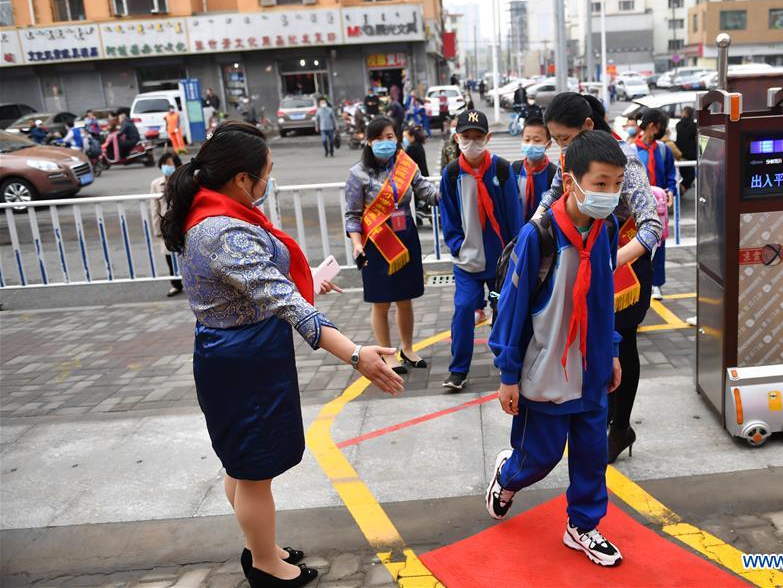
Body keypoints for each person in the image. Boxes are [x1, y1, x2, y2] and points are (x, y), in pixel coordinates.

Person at [161, 120, 403, 588]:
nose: (270, 180)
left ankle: (263, 546)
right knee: (253, 471)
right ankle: (267, 567)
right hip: (243, 360)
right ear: (242, 179)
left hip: (238, 352)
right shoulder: (225, 232)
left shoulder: (215, 215)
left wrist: (307, 276)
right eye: (267, 172)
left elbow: (259, 284)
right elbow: (284, 302)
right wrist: (356, 356)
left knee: (243, 463)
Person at [487, 130, 624, 567]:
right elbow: (510, 309)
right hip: (544, 371)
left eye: (617, 184)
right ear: (571, 182)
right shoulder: (539, 236)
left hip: (592, 368)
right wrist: (508, 373)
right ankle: (508, 477)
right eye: (601, 184)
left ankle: (582, 525)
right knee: (540, 458)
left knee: (591, 454)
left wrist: (613, 350)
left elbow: (604, 298)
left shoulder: (607, 227)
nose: (610, 193)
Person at [532, 92, 662, 464]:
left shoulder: (626, 159)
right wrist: (531, 231)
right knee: (593, 342)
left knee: (622, 343)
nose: (560, 147)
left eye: (564, 138)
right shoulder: (571, 158)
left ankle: (620, 428)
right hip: (587, 260)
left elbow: (651, 224)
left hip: (625, 264)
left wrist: (612, 261)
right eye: (556, 140)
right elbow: (552, 196)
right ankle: (598, 416)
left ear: (587, 127)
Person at [345, 117, 440, 374]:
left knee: (405, 299)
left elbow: (427, 193)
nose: (385, 142)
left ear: (397, 138)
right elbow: (352, 215)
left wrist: (452, 183)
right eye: (379, 138)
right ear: (368, 141)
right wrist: (356, 244)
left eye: (390, 137)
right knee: (381, 302)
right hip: (376, 242)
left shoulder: (405, 165)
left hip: (405, 237)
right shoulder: (358, 173)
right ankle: (386, 354)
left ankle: (407, 348)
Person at [439, 110, 524, 391]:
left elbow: (514, 214)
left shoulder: (501, 170)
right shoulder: (451, 174)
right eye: (466, 137)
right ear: (457, 138)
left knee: (502, 307)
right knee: (464, 308)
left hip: (499, 266)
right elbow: (448, 218)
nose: (471, 143)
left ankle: (506, 364)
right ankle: (458, 370)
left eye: (477, 137)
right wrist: (457, 247)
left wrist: (515, 254)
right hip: (468, 265)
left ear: (488, 138)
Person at [634, 108, 677, 301]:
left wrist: (671, 191)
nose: (663, 129)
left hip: (658, 205)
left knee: (659, 243)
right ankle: (637, 282)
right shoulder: (632, 150)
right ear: (653, 126)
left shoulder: (663, 149)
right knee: (637, 244)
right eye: (662, 126)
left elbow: (670, 174)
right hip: (637, 206)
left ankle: (656, 284)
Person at [150, 153, 184, 297]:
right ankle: (176, 285)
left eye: (170, 164)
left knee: (186, 255)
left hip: (182, 223)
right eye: (165, 164)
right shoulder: (156, 184)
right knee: (169, 257)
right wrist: (157, 229)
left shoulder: (183, 181)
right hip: (166, 225)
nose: (167, 167)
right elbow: (154, 208)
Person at [512, 117, 556, 221]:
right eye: (527, 140)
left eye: (537, 140)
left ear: (548, 144)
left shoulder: (553, 174)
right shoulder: (515, 169)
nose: (531, 144)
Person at [675, 106, 697, 194]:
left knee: (684, 173)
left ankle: (681, 188)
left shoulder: (678, 125)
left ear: (684, 113)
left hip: (680, 154)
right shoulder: (694, 126)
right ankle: (682, 188)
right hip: (692, 155)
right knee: (690, 174)